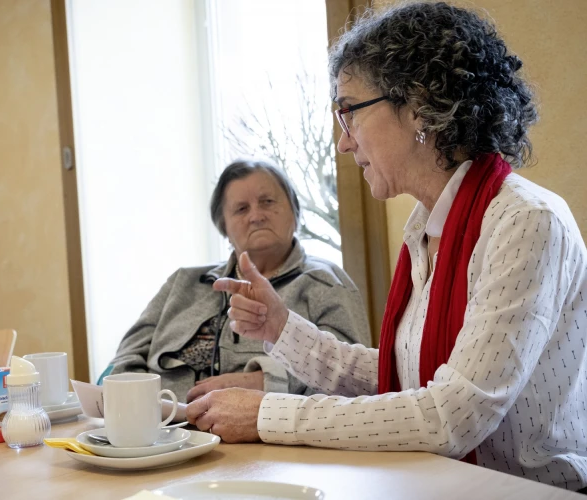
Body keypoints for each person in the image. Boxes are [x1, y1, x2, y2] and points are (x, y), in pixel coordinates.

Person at [186, 2, 587, 492]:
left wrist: (268, 413)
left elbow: (450, 415)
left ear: (418, 105)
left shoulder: (527, 221)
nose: (343, 142)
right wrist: (281, 327)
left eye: (349, 110)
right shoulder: (427, 227)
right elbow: (401, 379)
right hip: (442, 484)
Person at [106, 159, 370, 403]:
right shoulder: (183, 282)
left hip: (259, 436)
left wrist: (266, 381)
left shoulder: (326, 282)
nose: (256, 216)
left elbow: (353, 382)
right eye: (241, 209)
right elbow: (125, 358)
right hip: (163, 430)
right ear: (224, 227)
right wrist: (134, 407)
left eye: (267, 201)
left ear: (295, 212)